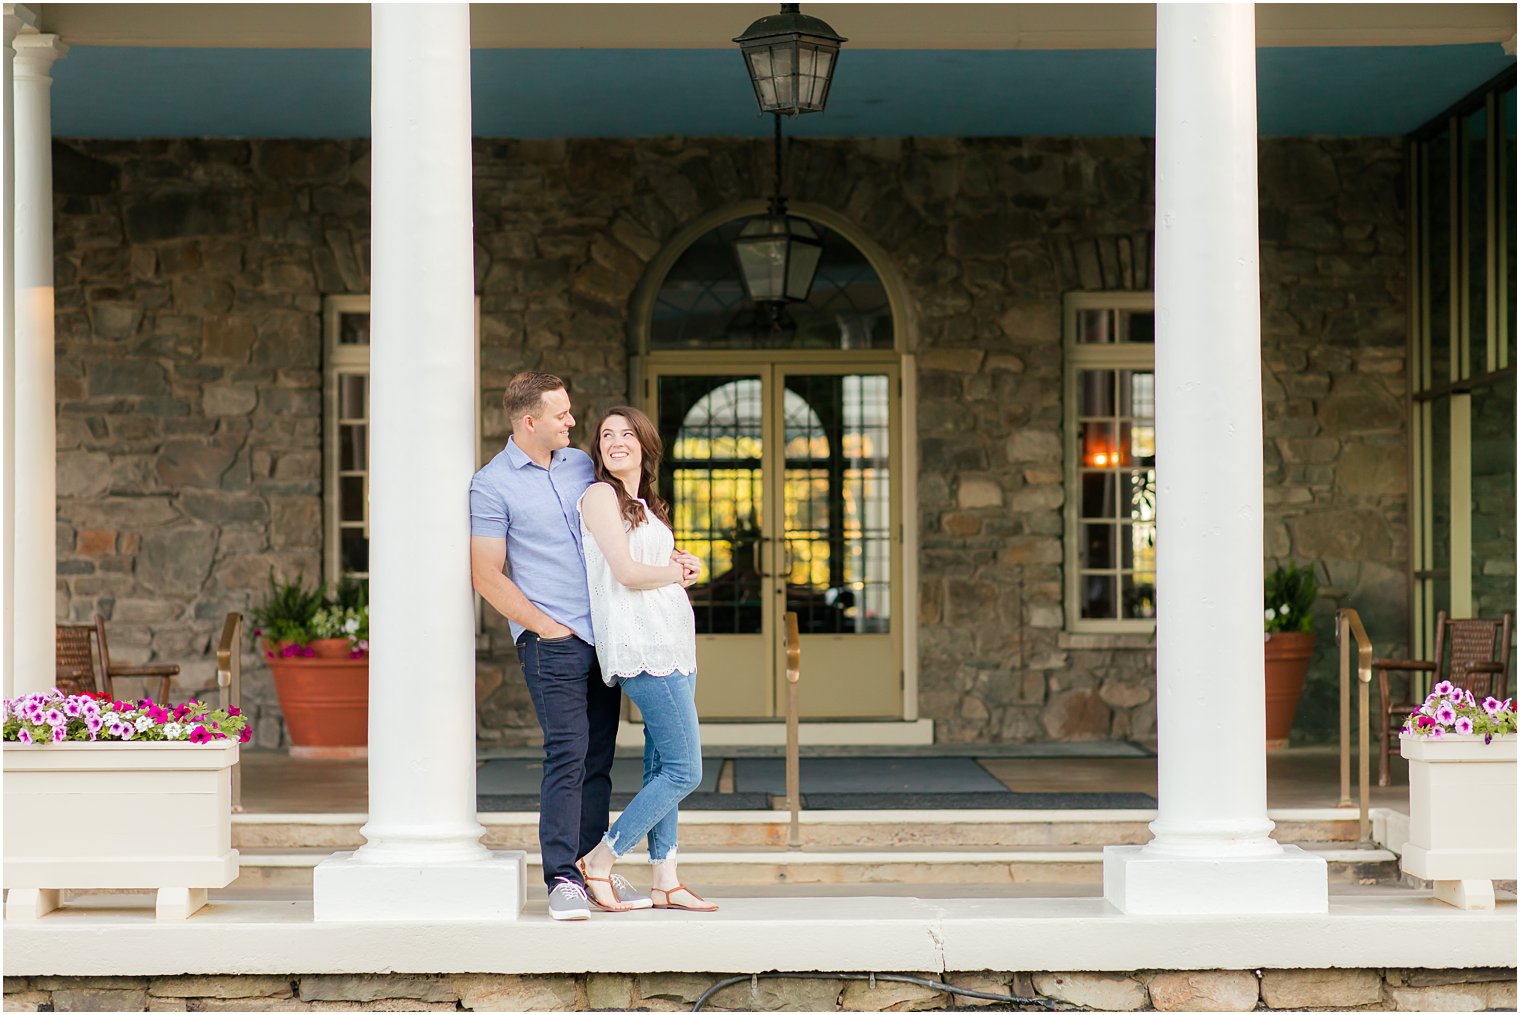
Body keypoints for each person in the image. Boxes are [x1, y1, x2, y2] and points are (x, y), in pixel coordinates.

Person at [469, 372, 649, 921]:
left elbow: (629, 518)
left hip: (606, 636)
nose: (574, 422)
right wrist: (545, 628)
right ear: (530, 422)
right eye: (562, 415)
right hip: (554, 642)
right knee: (567, 754)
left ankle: (593, 867)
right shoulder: (491, 484)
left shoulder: (581, 467)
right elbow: (486, 573)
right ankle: (562, 878)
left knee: (599, 757)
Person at [574, 406, 716, 913]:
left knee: (662, 764)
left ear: (644, 444)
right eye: (606, 434)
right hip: (641, 646)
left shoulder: (645, 502)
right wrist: (675, 576)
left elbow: (652, 565)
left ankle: (666, 880)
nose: (616, 441)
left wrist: (685, 564)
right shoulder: (598, 496)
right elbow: (628, 573)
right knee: (684, 769)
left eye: (627, 433)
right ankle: (601, 859)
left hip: (673, 643)